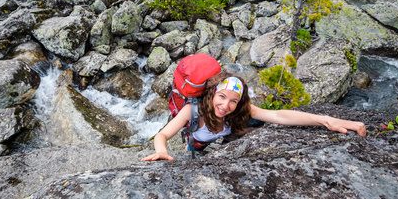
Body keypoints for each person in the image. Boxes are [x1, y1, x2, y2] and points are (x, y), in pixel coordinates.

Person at [141, 71, 366, 162]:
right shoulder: (192, 110)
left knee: (256, 123)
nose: (225, 105)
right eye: (221, 97)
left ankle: (232, 137)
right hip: (198, 142)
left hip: (228, 134)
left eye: (233, 100)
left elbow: (279, 115)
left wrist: (327, 120)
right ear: (211, 94)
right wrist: (161, 151)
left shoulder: (239, 109)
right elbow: (162, 135)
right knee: (195, 156)